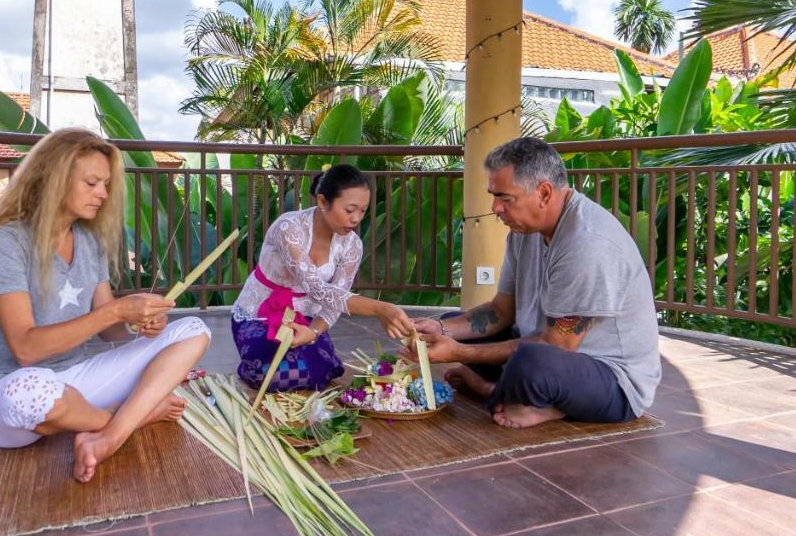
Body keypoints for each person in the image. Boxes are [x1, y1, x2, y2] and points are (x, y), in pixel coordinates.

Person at [0, 128, 211, 483]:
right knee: (31, 392)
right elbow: (26, 349)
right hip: (6, 392)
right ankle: (132, 418)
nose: (103, 194)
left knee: (194, 330)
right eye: (91, 183)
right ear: (54, 180)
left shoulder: (89, 241)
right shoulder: (6, 242)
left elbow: (110, 332)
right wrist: (116, 310)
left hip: (77, 382)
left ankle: (108, 437)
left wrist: (137, 324)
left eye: (105, 184)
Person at [412, 137, 661, 428]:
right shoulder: (522, 232)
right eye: (494, 196)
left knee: (531, 363)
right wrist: (441, 329)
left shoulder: (587, 242)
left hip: (612, 380)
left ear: (543, 193)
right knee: (457, 323)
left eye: (506, 198)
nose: (496, 208)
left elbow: (558, 344)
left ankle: (492, 390)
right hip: (546, 350)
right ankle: (519, 395)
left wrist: (458, 352)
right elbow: (500, 311)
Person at [231, 163, 416, 392]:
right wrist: (381, 308)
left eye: (363, 210)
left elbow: (333, 302)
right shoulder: (289, 228)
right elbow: (318, 289)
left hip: (306, 317)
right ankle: (251, 367)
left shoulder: (352, 245)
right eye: (349, 210)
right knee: (275, 375)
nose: (356, 218)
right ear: (322, 201)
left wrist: (314, 332)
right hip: (258, 315)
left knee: (322, 371)